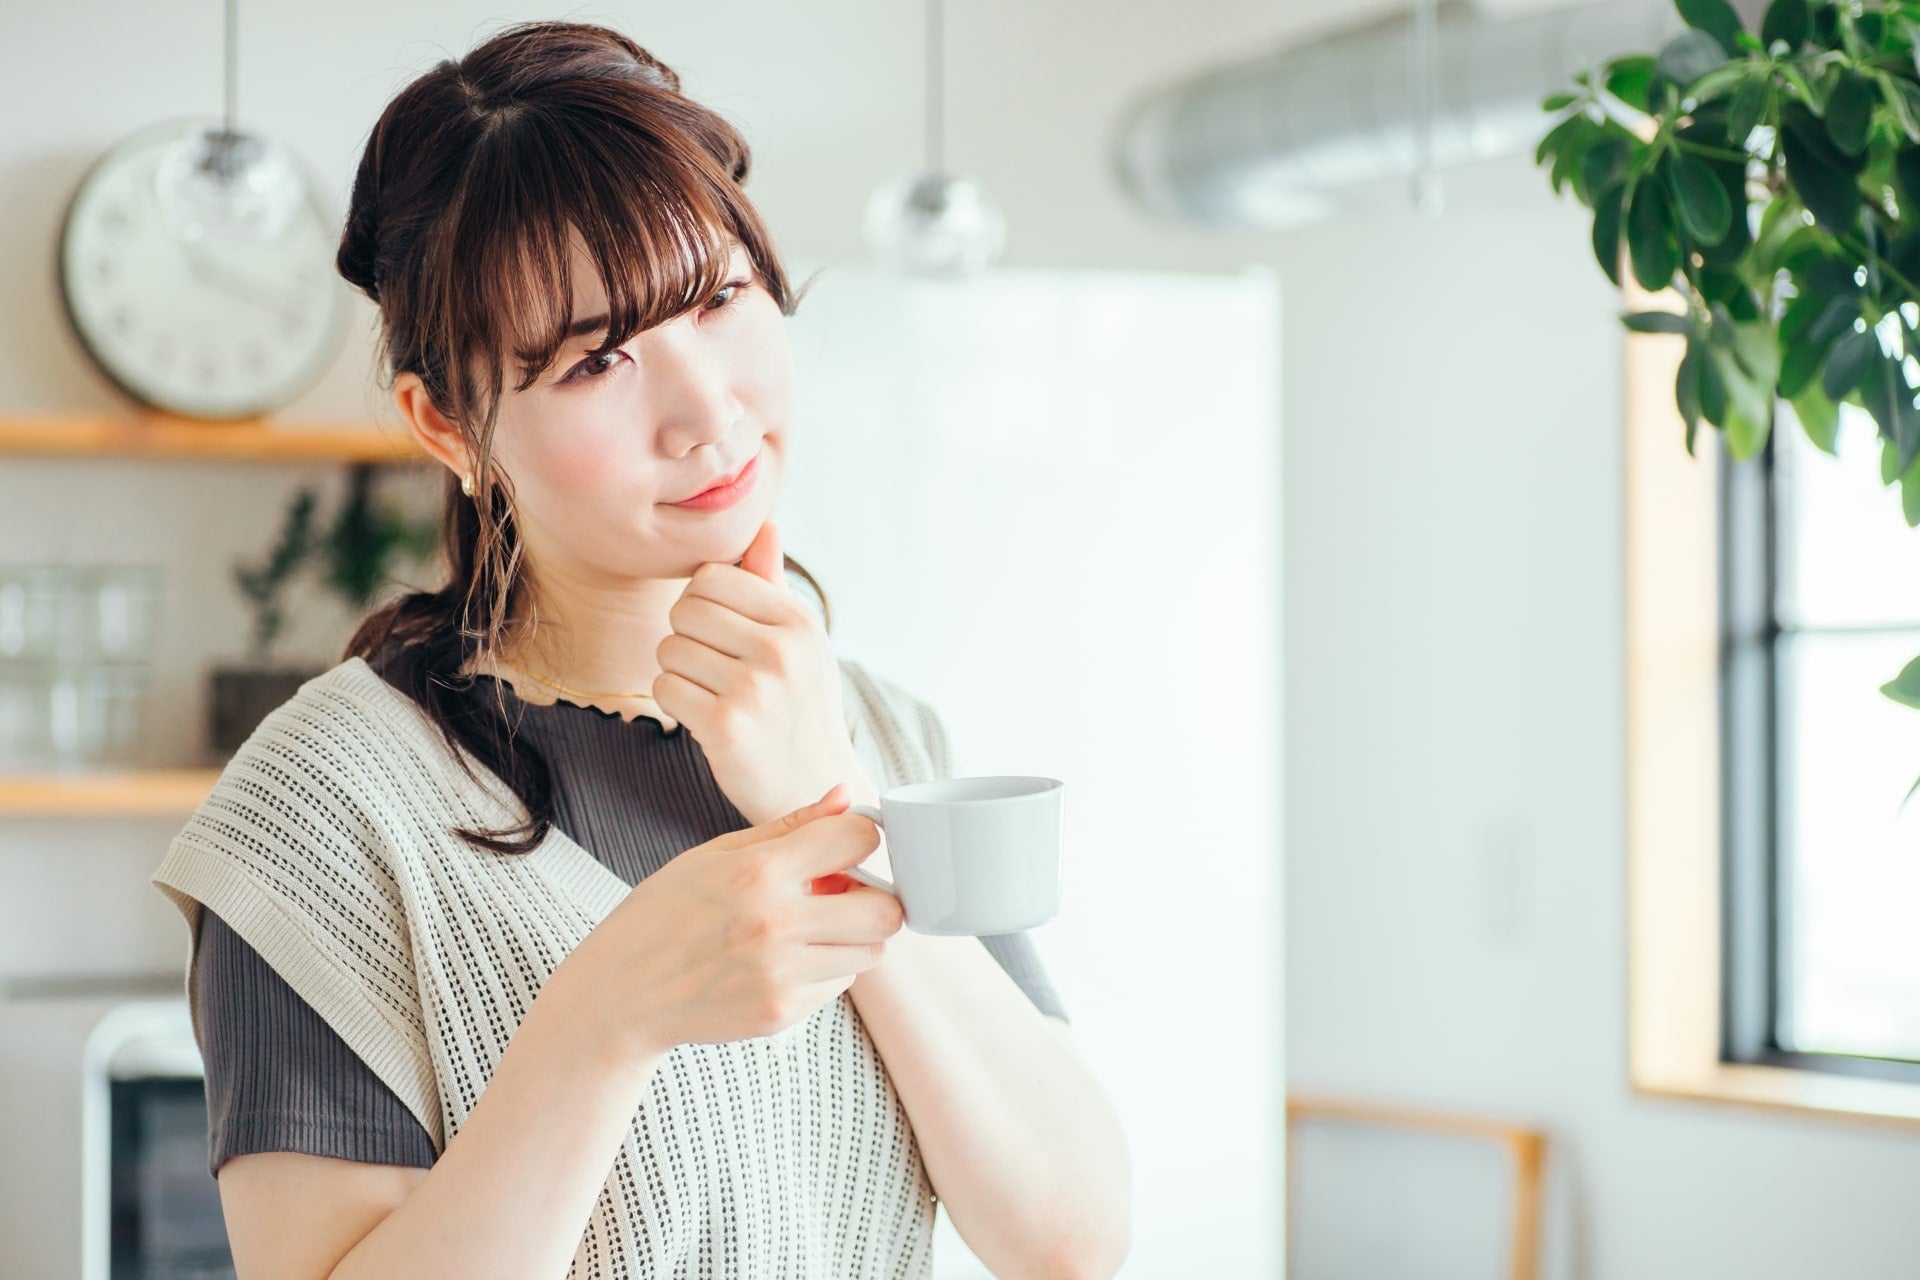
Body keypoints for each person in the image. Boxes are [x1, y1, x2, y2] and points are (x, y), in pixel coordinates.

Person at [148, 18, 1130, 1280]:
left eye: (721, 299)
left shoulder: (876, 729)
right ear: (448, 422)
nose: (707, 410)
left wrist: (828, 790)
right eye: (598, 358)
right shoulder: (327, 805)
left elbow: (1074, 1238)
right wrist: (605, 1015)